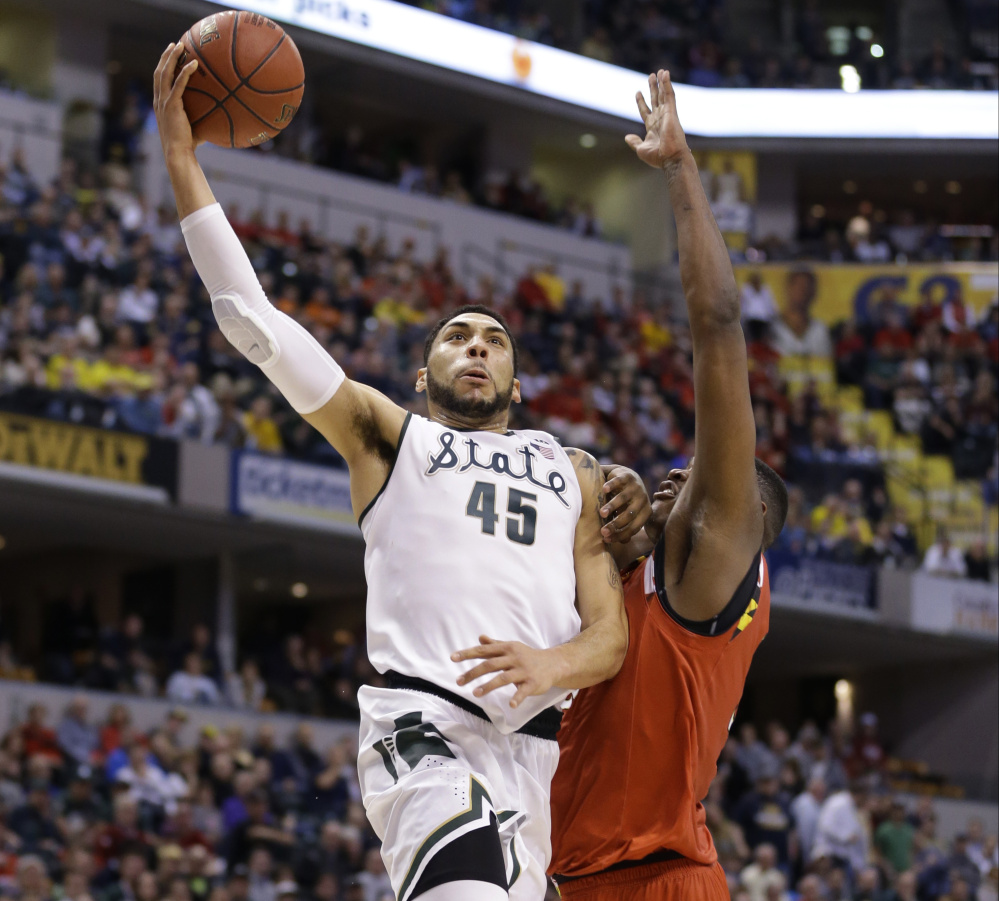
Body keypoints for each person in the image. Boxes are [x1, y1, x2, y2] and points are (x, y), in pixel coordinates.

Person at [154, 44, 634, 901]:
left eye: (492, 338)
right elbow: (252, 322)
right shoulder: (388, 436)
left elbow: (609, 639)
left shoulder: (573, 471)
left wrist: (547, 665)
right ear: (422, 375)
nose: (475, 345)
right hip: (421, 722)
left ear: (518, 383)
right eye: (455, 335)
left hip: (533, 750)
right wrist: (183, 160)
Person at [549, 70, 789, 900]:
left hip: (654, 879)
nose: (677, 473)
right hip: (584, 874)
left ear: (745, 514)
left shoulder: (720, 554)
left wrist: (680, 171)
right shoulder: (654, 577)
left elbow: (718, 324)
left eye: (699, 477)